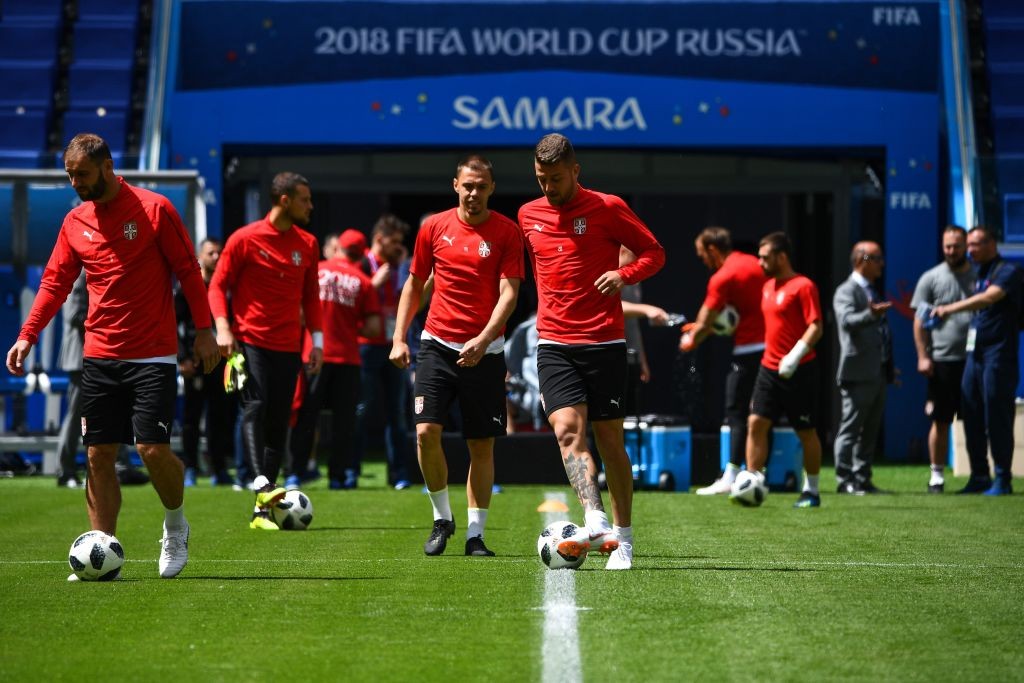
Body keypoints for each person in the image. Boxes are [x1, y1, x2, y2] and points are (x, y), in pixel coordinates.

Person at [6, 133, 220, 579]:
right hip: (99, 354)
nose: (75, 183)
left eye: (81, 174)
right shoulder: (74, 222)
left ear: (106, 167)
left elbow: (188, 272)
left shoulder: (155, 209)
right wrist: (27, 334)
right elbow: (53, 284)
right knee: (98, 454)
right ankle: (103, 552)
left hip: (153, 355)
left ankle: (176, 526)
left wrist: (205, 332)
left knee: (151, 449)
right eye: (69, 175)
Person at [518, 133, 666, 570]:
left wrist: (624, 275)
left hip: (604, 341)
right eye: (542, 179)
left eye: (557, 179)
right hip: (555, 343)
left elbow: (654, 253)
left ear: (576, 172)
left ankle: (624, 540)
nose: (549, 188)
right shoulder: (528, 215)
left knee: (610, 442)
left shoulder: (608, 207)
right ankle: (594, 518)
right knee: (567, 432)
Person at [391, 154, 523, 557]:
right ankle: (441, 519)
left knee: (481, 445)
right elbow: (414, 285)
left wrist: (484, 339)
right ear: (455, 185)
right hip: (436, 346)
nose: (474, 193)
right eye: (468, 185)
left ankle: (475, 535)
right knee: (426, 433)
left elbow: (510, 293)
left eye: (481, 187)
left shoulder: (507, 232)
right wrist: (399, 338)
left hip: (486, 351)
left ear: (491, 189)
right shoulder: (433, 227)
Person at [208, 171, 324, 529]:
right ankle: (260, 481)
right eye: (304, 199)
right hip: (250, 341)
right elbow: (217, 286)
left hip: (288, 346)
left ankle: (261, 511)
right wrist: (224, 328)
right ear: (284, 200)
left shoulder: (307, 243)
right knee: (254, 405)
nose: (310, 205)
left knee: (278, 424)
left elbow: (311, 297)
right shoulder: (244, 239)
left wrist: (316, 342)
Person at [735, 231, 824, 508]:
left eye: (765, 257)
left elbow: (816, 326)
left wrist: (795, 356)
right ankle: (752, 482)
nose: (760, 263)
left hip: (799, 369)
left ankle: (811, 491)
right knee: (756, 423)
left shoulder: (803, 286)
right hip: (768, 369)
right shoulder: (767, 286)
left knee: (806, 431)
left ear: (781, 257)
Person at [933, 225, 1022, 495]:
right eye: (968, 245)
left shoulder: (1008, 271)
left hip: (999, 355)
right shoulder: (979, 272)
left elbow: (988, 298)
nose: (970, 250)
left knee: (997, 414)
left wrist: (949, 308)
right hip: (975, 355)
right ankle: (979, 475)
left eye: (976, 244)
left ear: (993, 243)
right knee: (970, 412)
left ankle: (1002, 478)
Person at [289, 228, 381, 490]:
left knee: (306, 416)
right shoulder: (363, 281)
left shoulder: (315, 271)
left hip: (313, 355)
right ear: (361, 253)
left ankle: (296, 471)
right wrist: (351, 325)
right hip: (348, 359)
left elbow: (298, 314)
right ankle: (337, 476)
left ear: (338, 247)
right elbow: (374, 329)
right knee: (344, 422)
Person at [679, 227, 768, 495]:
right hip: (772, 348)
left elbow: (706, 321)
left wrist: (691, 339)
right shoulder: (753, 262)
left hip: (749, 350)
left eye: (701, 255)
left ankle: (731, 474)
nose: (702, 261)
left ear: (712, 250)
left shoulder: (723, 276)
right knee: (762, 414)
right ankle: (758, 475)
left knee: (736, 411)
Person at [56, 272, 149, 489]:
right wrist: (112, 317)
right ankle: (65, 470)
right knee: (76, 416)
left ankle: (121, 467)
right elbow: (75, 315)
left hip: (104, 355)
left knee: (115, 411)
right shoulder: (80, 274)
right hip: (81, 357)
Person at [910, 226, 974, 493]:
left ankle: (979, 472)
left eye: (957, 246)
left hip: (974, 358)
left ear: (966, 246)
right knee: (940, 419)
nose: (952, 251)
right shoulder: (931, 278)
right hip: (943, 359)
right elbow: (919, 321)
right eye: (947, 246)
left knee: (975, 418)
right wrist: (923, 356)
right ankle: (936, 475)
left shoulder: (979, 276)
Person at [354, 214, 414, 490]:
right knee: (361, 410)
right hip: (366, 348)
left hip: (394, 347)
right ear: (379, 239)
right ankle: (349, 472)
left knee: (397, 413)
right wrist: (372, 285)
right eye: (395, 242)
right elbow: (350, 302)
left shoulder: (398, 266)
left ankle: (399, 475)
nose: (399, 247)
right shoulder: (363, 266)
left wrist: (402, 268)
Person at [832, 241, 894, 495]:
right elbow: (846, 321)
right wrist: (871, 315)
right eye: (878, 258)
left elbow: (881, 333)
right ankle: (844, 479)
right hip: (857, 372)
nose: (882, 263)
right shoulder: (847, 290)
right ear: (862, 259)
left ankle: (862, 478)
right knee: (851, 427)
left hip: (876, 371)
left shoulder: (871, 290)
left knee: (870, 429)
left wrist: (889, 367)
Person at [175, 238, 236, 487]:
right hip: (196, 362)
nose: (217, 256)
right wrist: (183, 358)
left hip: (221, 362)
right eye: (211, 252)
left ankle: (218, 468)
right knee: (192, 417)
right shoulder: (189, 287)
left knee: (220, 416)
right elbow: (173, 323)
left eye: (220, 252)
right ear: (201, 256)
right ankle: (190, 467)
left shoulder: (225, 288)